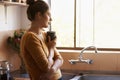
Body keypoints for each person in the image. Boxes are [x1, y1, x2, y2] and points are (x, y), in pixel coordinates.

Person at [20, 0, 64, 80]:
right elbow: (46, 67)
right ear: (39, 15)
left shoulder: (44, 34)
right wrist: (51, 49)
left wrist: (51, 71)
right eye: (48, 15)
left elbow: (60, 59)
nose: (51, 19)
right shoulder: (30, 37)